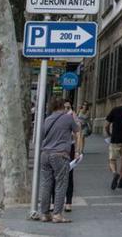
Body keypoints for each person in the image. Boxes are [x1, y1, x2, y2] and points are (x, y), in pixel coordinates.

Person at [37, 96, 80, 224]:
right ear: (62, 106)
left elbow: (43, 135)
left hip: (45, 154)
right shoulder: (68, 118)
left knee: (46, 184)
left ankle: (44, 214)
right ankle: (57, 215)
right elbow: (77, 131)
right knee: (61, 184)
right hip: (60, 155)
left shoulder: (47, 119)